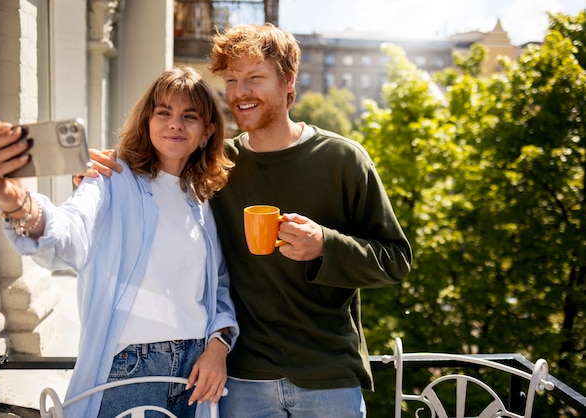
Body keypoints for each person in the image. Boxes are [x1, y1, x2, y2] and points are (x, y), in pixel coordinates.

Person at [85, 23, 412, 417]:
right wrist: (100, 171)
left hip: (327, 377)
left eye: (255, 78)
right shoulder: (216, 164)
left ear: (289, 82)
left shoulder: (343, 160)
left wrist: (326, 244)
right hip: (243, 380)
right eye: (232, 80)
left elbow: (395, 260)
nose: (240, 92)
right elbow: (155, 167)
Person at [0, 67, 239, 418]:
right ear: (147, 121)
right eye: (164, 113)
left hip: (194, 375)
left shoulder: (201, 199)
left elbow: (217, 286)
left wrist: (218, 345)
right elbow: (68, 231)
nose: (176, 124)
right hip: (130, 371)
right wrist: (18, 204)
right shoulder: (111, 178)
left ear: (207, 132)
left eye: (190, 116)